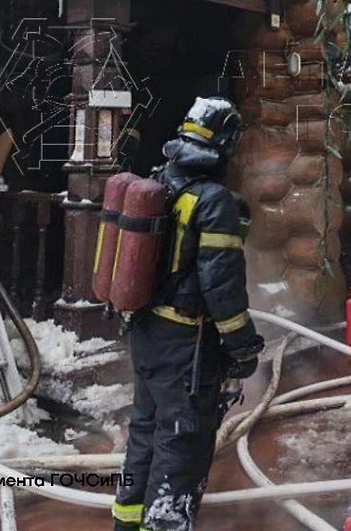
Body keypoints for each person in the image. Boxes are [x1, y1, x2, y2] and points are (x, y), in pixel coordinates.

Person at [114, 97, 264, 531]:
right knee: (182, 444)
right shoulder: (215, 202)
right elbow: (223, 289)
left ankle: (126, 521)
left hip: (147, 333)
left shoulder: (161, 183)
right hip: (187, 348)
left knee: (145, 432)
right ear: (227, 143)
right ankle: (163, 525)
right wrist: (242, 347)